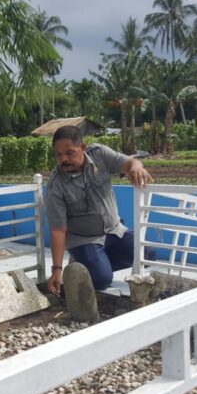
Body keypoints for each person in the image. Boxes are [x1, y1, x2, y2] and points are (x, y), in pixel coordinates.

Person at [45, 126, 152, 295]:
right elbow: (58, 230)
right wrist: (56, 270)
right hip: (84, 240)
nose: (63, 159)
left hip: (114, 230)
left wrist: (136, 167)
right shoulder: (55, 186)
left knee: (147, 253)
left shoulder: (99, 154)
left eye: (70, 153)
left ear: (82, 148)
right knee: (102, 279)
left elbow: (129, 162)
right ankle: (86, 266)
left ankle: (88, 264)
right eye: (58, 154)